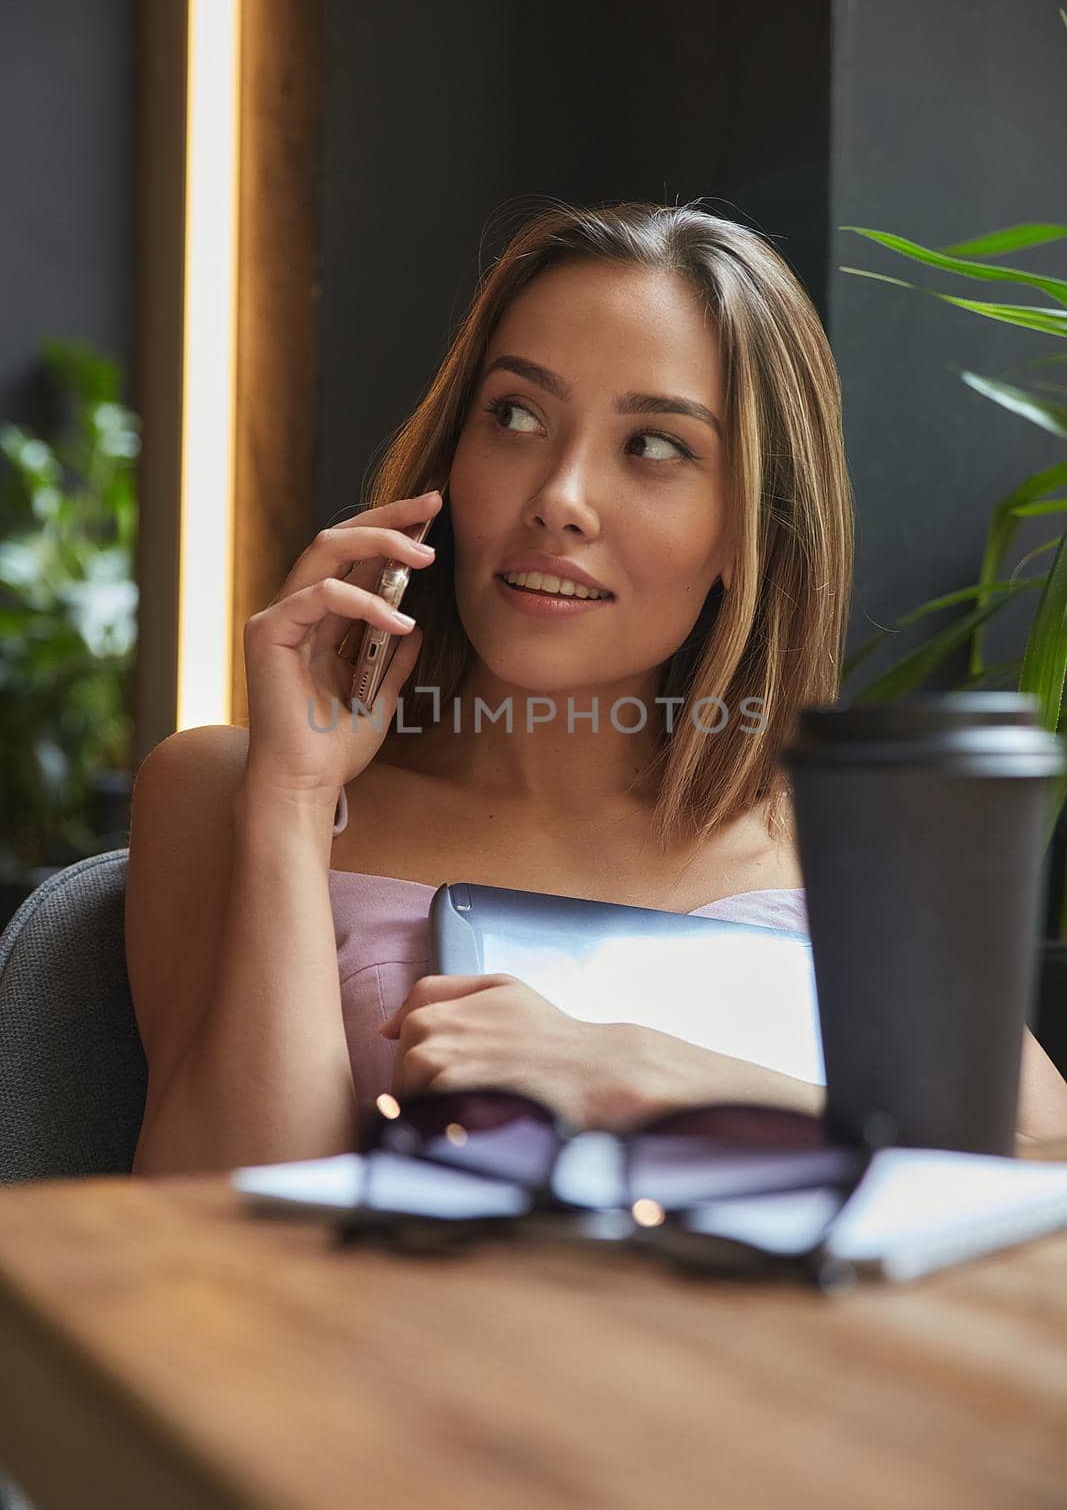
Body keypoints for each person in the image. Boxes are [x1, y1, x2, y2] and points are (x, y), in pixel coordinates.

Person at [126, 199, 1067, 1175]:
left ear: (750, 537)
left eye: (653, 446)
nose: (559, 498)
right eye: (516, 415)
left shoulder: (845, 850)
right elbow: (217, 1233)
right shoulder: (228, 788)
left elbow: (1045, 1168)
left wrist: (666, 1077)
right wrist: (293, 798)